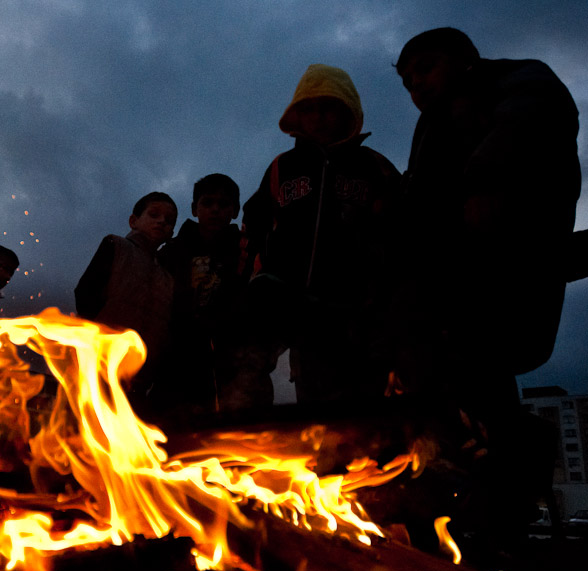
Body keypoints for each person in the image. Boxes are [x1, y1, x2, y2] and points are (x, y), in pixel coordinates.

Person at [389, 27, 580, 558]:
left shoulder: (519, 82)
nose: (416, 86)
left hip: (501, 266)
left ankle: (502, 519)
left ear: (463, 59)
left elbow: (527, 126)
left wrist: (482, 189)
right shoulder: (434, 124)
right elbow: (418, 201)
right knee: (455, 394)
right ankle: (470, 519)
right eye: (406, 81)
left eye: (424, 69)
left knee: (483, 385)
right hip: (448, 279)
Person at [222, 63, 400, 410]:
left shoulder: (375, 168)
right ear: (297, 117)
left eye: (329, 108)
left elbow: (397, 232)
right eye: (309, 109)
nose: (318, 118)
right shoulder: (280, 168)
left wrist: (385, 295)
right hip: (290, 294)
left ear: (348, 112)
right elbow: (254, 227)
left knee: (351, 399)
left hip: (355, 303)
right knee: (251, 352)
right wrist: (244, 283)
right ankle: (246, 425)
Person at [74, 192, 178, 418]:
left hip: (141, 376)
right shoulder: (116, 246)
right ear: (134, 221)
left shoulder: (167, 277)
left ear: (171, 232)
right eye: (154, 215)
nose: (162, 221)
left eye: (169, 220)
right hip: (100, 364)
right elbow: (85, 293)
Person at [154, 174, 244, 419]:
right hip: (178, 360)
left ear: (235, 211)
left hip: (236, 359)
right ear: (195, 208)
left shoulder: (246, 249)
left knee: (241, 434)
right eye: (208, 202)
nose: (215, 209)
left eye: (224, 204)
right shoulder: (171, 252)